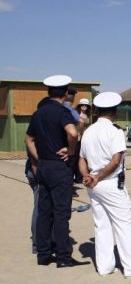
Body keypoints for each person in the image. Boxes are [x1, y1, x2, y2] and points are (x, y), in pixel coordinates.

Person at [79, 92, 131, 278]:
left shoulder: (88, 131)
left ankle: (105, 266)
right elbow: (115, 161)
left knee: (101, 224)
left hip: (94, 184)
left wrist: (87, 176)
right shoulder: (115, 131)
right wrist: (97, 177)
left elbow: (81, 158)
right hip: (110, 182)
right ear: (114, 111)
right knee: (124, 225)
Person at [25, 75, 88, 267]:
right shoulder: (62, 112)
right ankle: (63, 257)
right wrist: (70, 150)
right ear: (66, 92)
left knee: (44, 211)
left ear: (48, 91)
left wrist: (38, 158)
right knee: (61, 213)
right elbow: (73, 132)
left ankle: (43, 255)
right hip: (59, 167)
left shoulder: (39, 113)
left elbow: (28, 139)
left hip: (43, 165)